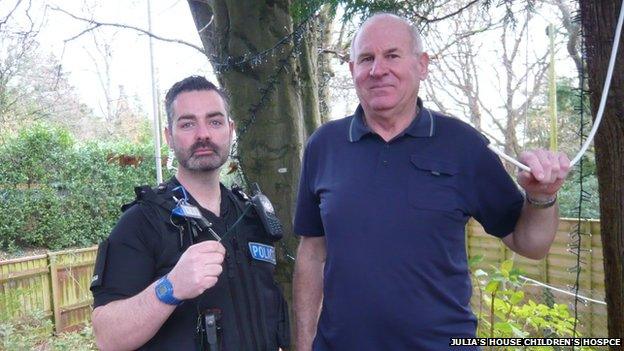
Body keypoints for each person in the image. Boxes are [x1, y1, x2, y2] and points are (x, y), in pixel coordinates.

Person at [293, 13, 571, 351]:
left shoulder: (463, 145)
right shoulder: (324, 145)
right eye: (366, 58)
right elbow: (311, 252)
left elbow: (531, 243)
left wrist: (541, 197)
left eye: (392, 55)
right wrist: (304, 344)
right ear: (353, 69)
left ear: (421, 65)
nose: (378, 69)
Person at [90, 76, 290, 351]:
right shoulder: (141, 222)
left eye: (215, 121)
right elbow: (107, 336)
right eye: (187, 123)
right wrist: (170, 288)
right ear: (169, 136)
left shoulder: (253, 216)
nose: (203, 134)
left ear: (230, 130)